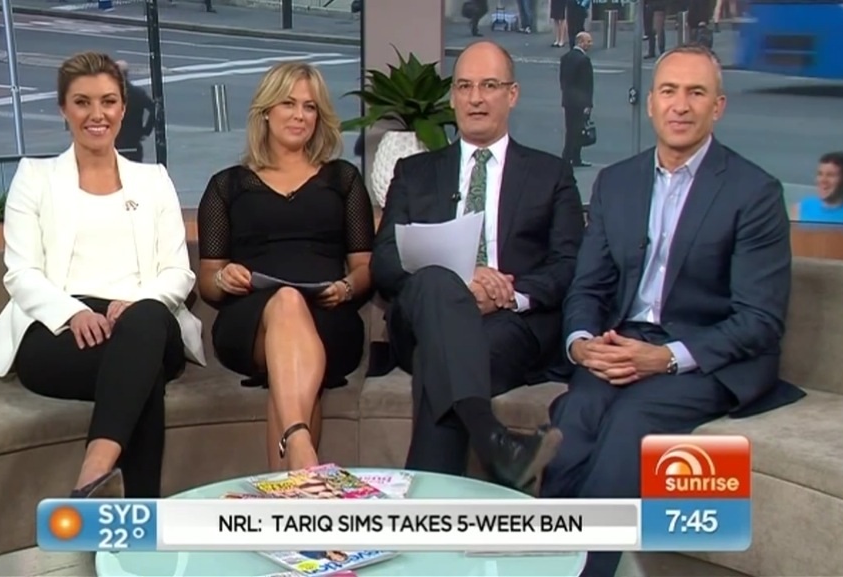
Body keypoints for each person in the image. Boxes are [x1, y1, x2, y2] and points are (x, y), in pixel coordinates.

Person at [541, 45, 805, 577]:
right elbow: (588, 286)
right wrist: (582, 343)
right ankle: (546, 561)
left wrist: (665, 358)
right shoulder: (617, 182)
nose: (680, 105)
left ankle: (586, 569)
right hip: (623, 344)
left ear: (718, 107)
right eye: (668, 91)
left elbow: (759, 320)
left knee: (632, 421)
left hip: (704, 357)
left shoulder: (754, 192)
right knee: (578, 414)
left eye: (696, 93)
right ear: (651, 103)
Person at [0, 51, 206, 499]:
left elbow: (177, 272)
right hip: (59, 330)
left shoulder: (153, 179)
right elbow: (21, 272)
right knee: (141, 377)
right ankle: (140, 516)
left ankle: (94, 472)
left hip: (144, 320)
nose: (96, 114)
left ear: (123, 108)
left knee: (144, 326)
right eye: (82, 102)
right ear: (63, 109)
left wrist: (137, 305)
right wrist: (73, 313)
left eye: (108, 101)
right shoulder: (35, 177)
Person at [370, 41, 586, 491]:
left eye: (489, 86)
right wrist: (463, 282)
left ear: (512, 94)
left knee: (440, 359)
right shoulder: (414, 172)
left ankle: (426, 512)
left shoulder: (551, 174)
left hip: (508, 326)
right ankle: (494, 442)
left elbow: (568, 265)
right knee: (435, 281)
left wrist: (508, 294)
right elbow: (386, 262)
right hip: (423, 317)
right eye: (465, 86)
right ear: (453, 97)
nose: (475, 98)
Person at [196, 62, 374, 472]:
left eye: (309, 107)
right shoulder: (228, 186)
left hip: (329, 317)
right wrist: (224, 277)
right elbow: (207, 282)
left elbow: (365, 267)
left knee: (293, 314)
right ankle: (303, 450)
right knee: (286, 301)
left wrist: (347, 287)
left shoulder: (343, 179)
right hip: (250, 323)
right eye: (288, 104)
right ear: (265, 112)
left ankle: (296, 457)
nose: (299, 116)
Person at [559, 31, 594, 168]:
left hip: (568, 100)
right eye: (588, 41)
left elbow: (563, 80)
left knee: (571, 129)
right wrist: (588, 104)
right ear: (580, 42)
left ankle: (572, 157)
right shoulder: (584, 60)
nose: (590, 44)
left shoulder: (565, 57)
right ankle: (570, 157)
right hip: (580, 102)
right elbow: (586, 85)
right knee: (577, 130)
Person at [113, 60, 155, 163]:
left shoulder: (109, 94)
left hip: (114, 140)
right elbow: (154, 109)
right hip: (133, 140)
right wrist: (146, 130)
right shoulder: (138, 93)